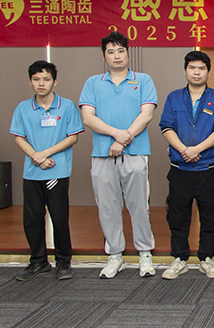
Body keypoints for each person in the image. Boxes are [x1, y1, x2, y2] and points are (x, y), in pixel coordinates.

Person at [79, 31, 158, 279]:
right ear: (104, 56)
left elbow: (147, 115)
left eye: (121, 51)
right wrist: (117, 135)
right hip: (102, 155)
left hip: (135, 153)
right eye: (111, 52)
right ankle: (115, 255)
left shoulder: (143, 80)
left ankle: (145, 253)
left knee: (139, 206)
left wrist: (123, 140)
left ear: (128, 53)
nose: (116, 56)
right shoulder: (93, 83)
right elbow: (88, 117)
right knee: (107, 207)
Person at [10, 60, 83, 281]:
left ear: (54, 81)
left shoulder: (67, 106)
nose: (41, 84)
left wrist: (45, 154)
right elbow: (19, 138)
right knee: (32, 219)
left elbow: (73, 137)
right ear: (30, 82)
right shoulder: (23, 108)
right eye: (36, 79)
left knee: (59, 219)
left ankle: (63, 262)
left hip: (57, 172)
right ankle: (38, 261)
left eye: (46, 79)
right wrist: (36, 156)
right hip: (32, 172)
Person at [159, 51, 214, 280]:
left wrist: (197, 150)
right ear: (185, 70)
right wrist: (184, 150)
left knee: (211, 216)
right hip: (180, 169)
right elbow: (166, 126)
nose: (197, 72)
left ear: (208, 71)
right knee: (177, 215)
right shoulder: (174, 97)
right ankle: (180, 259)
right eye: (192, 68)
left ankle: (206, 258)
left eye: (201, 68)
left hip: (208, 169)